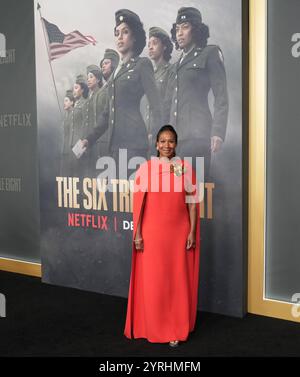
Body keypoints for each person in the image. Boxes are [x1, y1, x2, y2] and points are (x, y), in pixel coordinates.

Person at [124, 125, 200, 347]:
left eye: (171, 141)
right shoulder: (145, 169)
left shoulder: (185, 168)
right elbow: (139, 204)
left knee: (176, 281)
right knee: (155, 281)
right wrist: (137, 234)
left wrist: (192, 231)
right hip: (152, 232)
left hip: (179, 232)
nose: (167, 145)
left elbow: (193, 203)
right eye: (163, 141)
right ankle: (152, 326)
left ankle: (175, 328)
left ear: (176, 144)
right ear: (156, 144)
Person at [81, 9, 162, 171]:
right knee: (119, 195)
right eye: (117, 33)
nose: (119, 37)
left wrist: (158, 139)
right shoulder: (116, 72)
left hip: (134, 143)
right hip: (115, 145)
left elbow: (156, 105)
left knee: (134, 194)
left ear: (134, 37)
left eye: (125, 32)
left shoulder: (142, 64)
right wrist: (88, 139)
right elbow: (107, 113)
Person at [166, 7, 229, 181]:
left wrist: (218, 132)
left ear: (196, 29)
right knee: (177, 190)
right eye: (177, 29)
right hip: (176, 142)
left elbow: (221, 96)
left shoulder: (210, 53)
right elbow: (171, 102)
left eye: (185, 27)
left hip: (198, 138)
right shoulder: (176, 63)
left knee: (196, 191)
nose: (180, 33)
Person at [141, 26, 174, 136]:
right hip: (147, 133)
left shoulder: (171, 71)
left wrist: (156, 131)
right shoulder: (149, 74)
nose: (150, 47)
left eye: (154, 43)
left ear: (164, 46)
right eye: (149, 44)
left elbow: (168, 106)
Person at [60, 89, 74, 176]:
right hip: (64, 151)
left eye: (66, 101)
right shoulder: (65, 117)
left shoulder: (74, 115)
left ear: (72, 102)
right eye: (64, 101)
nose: (64, 103)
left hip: (71, 152)